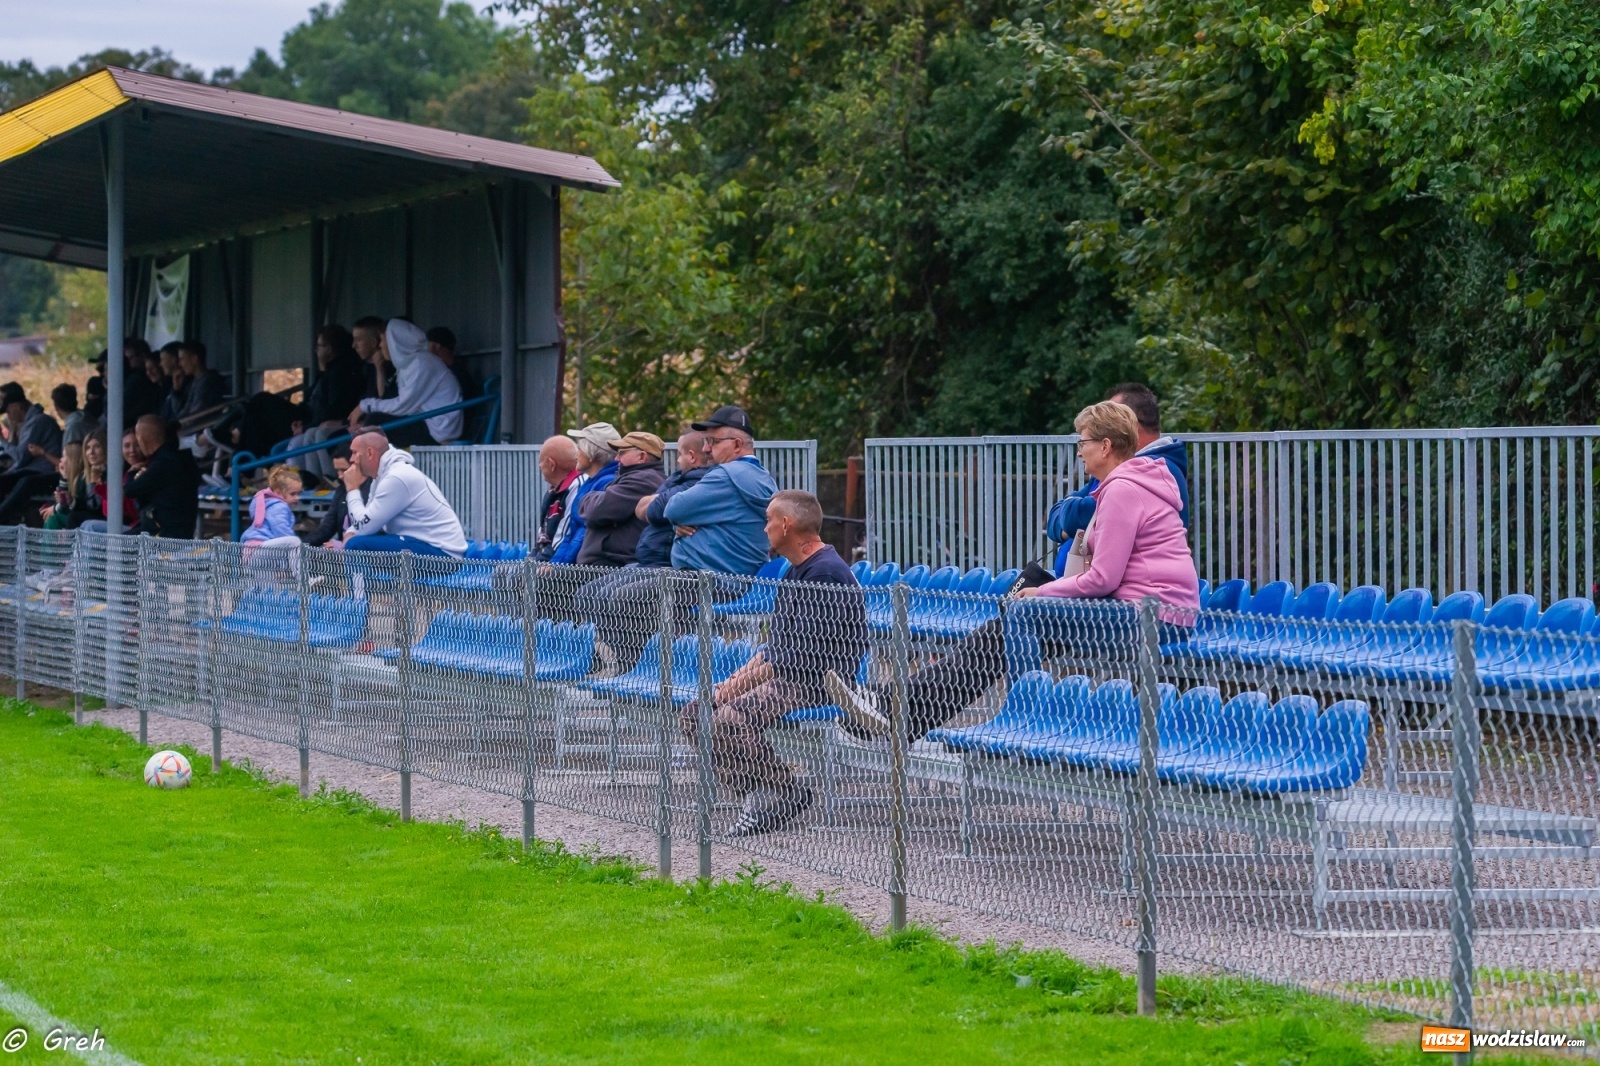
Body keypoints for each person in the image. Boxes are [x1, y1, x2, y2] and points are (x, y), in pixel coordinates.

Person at [826, 401, 1198, 742]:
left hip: (1153, 618)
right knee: (1001, 631)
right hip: (1137, 613)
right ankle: (899, 709)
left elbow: (1104, 579)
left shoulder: (1123, 491)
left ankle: (1025, 716)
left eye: (1083, 442)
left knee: (1021, 612)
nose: (1079, 450)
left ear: (1105, 446)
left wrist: (1042, 593)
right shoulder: (1124, 486)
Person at [679, 490, 867, 836]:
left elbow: (797, 655)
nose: (764, 528)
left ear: (786, 524)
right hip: (790, 676)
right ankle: (762, 794)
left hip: (821, 683)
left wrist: (737, 688)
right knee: (696, 712)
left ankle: (780, 793)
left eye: (768, 520)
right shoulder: (794, 571)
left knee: (730, 716)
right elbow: (773, 647)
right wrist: (732, 680)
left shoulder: (824, 573)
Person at [1048, 382, 1191, 550]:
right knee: (1011, 576)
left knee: (1012, 576)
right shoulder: (1115, 467)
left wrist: (1071, 522)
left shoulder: (1154, 471)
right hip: (1084, 574)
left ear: (1130, 426)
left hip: (1124, 576)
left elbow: (1081, 515)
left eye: (1110, 420)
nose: (1080, 452)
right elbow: (1059, 517)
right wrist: (1071, 520)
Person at [662, 405, 776, 576]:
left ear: (737, 445)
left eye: (712, 441)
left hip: (708, 584)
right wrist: (678, 524)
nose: (706, 449)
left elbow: (673, 508)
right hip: (731, 580)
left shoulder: (725, 476)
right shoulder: (764, 477)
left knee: (621, 596)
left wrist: (679, 520)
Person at [341, 428, 467, 556]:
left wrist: (352, 489)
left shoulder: (396, 478)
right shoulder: (382, 477)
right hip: (421, 545)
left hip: (442, 555)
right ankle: (365, 577)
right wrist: (351, 532)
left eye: (354, 452)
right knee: (358, 541)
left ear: (369, 453)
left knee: (356, 545)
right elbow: (368, 519)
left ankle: (360, 577)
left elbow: (364, 527)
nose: (351, 459)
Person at [350, 320, 462, 447]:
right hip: (427, 422)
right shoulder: (409, 364)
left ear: (394, 341)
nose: (380, 345)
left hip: (439, 432)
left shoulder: (423, 364)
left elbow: (403, 405)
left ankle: (356, 464)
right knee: (369, 427)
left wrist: (365, 406)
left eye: (382, 340)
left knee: (375, 421)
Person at [275, 324, 367, 479]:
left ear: (329, 349)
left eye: (319, 346)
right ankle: (315, 481)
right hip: (311, 420)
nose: (316, 350)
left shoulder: (341, 371)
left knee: (316, 434)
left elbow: (333, 409)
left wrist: (306, 426)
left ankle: (327, 480)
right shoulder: (328, 373)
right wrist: (304, 423)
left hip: (342, 424)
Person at [575, 432, 665, 567]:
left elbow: (598, 510)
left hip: (613, 564)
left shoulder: (644, 479)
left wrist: (588, 498)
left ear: (641, 456)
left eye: (622, 453)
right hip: (605, 564)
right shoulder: (633, 477)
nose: (616, 458)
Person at [634, 429, 710, 568]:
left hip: (664, 567)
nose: (677, 460)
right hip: (649, 562)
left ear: (692, 456)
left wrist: (656, 500)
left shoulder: (695, 484)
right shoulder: (679, 477)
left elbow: (653, 510)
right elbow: (640, 507)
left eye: (680, 454)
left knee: (609, 590)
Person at [547, 423, 620, 565]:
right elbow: (572, 532)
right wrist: (554, 563)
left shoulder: (606, 484)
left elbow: (583, 532)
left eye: (579, 448)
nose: (576, 454)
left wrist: (558, 568)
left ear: (591, 454)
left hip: (589, 567)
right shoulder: (590, 482)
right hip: (577, 563)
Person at [126, 414, 201, 537]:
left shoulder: (164, 464)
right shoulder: (181, 458)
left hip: (165, 540)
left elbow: (130, 490)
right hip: (179, 534)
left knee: (109, 547)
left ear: (143, 439)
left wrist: (132, 472)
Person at [0, 383, 65, 523]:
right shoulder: (29, 422)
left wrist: (3, 441)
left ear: (17, 406)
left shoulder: (37, 422)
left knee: (13, 481)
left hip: (45, 472)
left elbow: (21, 457)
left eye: (8, 411)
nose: (8, 415)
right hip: (34, 468)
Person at [304, 443, 368, 548]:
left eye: (344, 470)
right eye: (337, 470)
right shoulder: (341, 490)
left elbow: (370, 530)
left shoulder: (376, 489)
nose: (340, 476)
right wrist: (300, 545)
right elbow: (326, 528)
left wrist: (341, 546)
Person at [532, 435, 584, 562]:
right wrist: (530, 561)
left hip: (557, 567)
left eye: (541, 460)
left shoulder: (577, 486)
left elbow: (563, 538)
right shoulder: (553, 491)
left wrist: (536, 566)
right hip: (545, 562)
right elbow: (542, 538)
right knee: (505, 572)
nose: (539, 465)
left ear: (551, 464)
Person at [42, 432, 103, 530]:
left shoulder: (84, 478)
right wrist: (65, 477)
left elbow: (89, 506)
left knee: (55, 519)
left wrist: (55, 508)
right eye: (87, 448)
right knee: (53, 517)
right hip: (81, 517)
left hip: (95, 518)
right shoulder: (79, 477)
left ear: (73, 459)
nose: (61, 460)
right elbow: (65, 504)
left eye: (64, 456)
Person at [175, 341, 226, 422]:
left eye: (182, 359)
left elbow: (196, 415)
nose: (180, 364)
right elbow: (186, 410)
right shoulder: (196, 381)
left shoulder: (207, 382)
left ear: (194, 359)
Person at [426, 326, 480, 400]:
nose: (425, 351)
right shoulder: (460, 373)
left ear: (436, 347)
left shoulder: (457, 376)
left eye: (427, 346)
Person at [352, 316, 396, 403]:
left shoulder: (392, 366)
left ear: (374, 342)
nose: (354, 345)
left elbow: (384, 400)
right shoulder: (360, 367)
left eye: (358, 340)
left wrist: (380, 370)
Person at [52, 384, 87, 448]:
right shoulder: (84, 417)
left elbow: (70, 456)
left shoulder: (73, 427)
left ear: (56, 407)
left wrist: (43, 453)